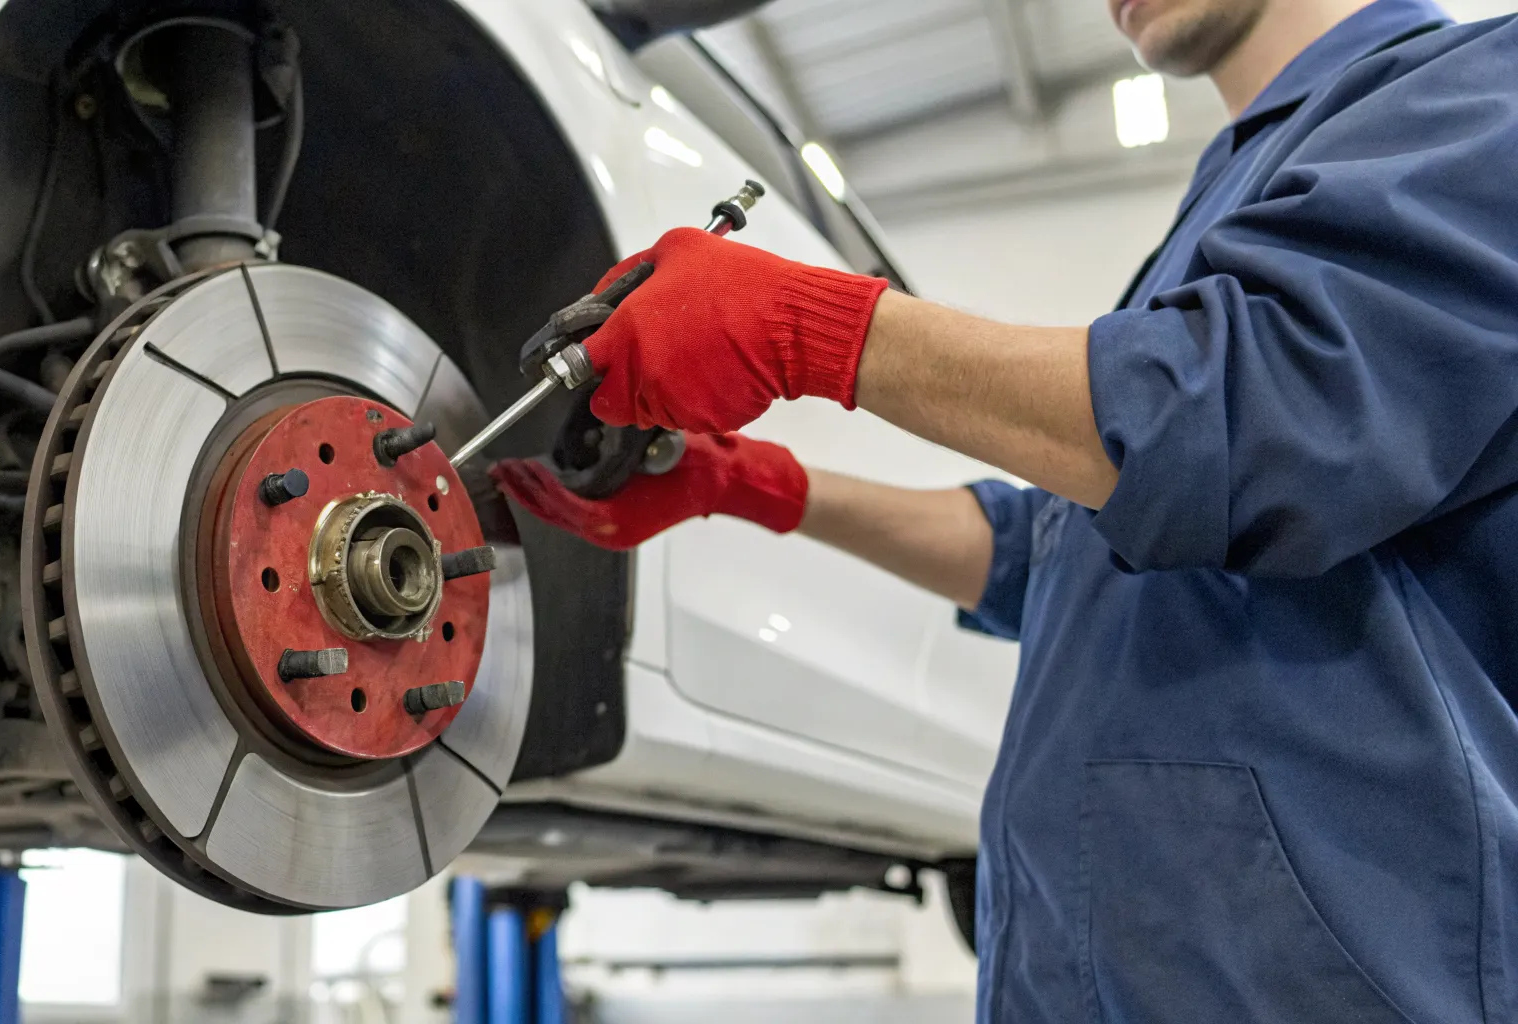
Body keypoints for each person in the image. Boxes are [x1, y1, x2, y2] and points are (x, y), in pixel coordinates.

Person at [491, 0, 1518, 1019]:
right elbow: (1052, 551)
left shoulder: (1475, 90)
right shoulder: (1226, 203)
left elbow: (1241, 412)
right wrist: (752, 486)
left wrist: (810, 328)